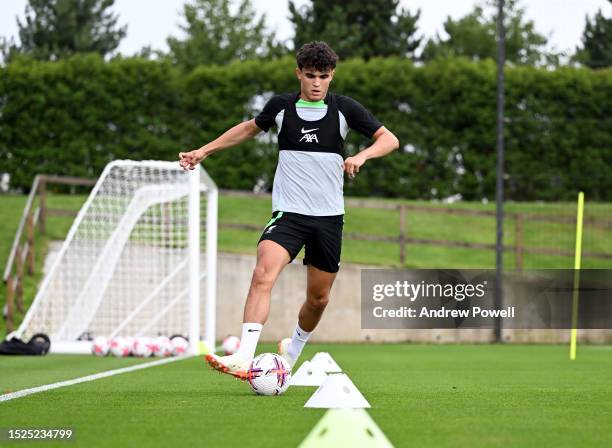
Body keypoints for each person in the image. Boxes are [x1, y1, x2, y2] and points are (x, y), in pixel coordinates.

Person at [179, 41, 399, 379]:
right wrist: (204, 151)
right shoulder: (281, 107)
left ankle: (292, 349)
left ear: (332, 76)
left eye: (323, 76)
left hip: (328, 219)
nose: (315, 83)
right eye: (309, 75)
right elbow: (248, 128)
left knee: (319, 299)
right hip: (289, 215)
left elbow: (389, 139)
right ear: (298, 73)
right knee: (262, 274)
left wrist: (361, 155)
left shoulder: (344, 109)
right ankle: (244, 356)